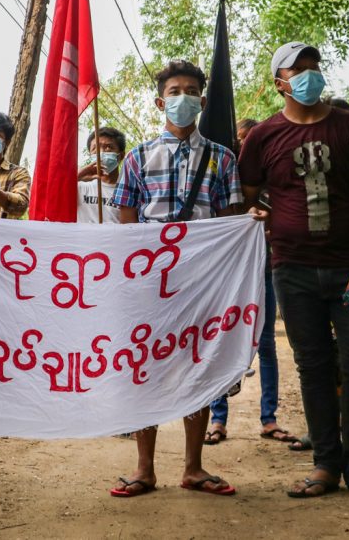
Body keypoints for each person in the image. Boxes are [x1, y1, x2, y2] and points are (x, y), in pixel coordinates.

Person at [237, 42, 349, 500]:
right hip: (292, 271)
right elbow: (247, 196)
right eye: (298, 70)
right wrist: (261, 215)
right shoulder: (263, 137)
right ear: (280, 83)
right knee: (313, 366)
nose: (309, 75)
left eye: (314, 68)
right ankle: (326, 465)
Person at [109, 59, 242, 498]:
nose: (181, 98)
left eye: (190, 90)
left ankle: (194, 466)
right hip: (149, 283)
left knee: (197, 366)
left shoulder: (223, 158)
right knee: (146, 367)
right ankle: (144, 468)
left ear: (202, 101)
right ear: (159, 100)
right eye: (173, 91)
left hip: (201, 283)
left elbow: (229, 226)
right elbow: (127, 228)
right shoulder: (137, 158)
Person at [205, 118, 298, 447]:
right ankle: (217, 419)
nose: (245, 145)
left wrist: (269, 229)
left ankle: (268, 418)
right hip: (228, 274)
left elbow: (287, 220)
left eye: (250, 140)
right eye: (240, 140)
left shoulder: (273, 180)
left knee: (267, 344)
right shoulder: (224, 177)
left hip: (264, 268)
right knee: (219, 340)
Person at [76, 126, 124, 224]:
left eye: (108, 147)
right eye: (95, 148)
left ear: (121, 156)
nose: (101, 153)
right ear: (90, 154)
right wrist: (77, 177)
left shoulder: (127, 191)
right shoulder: (79, 186)